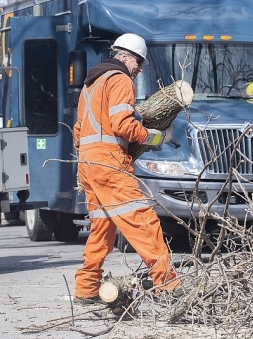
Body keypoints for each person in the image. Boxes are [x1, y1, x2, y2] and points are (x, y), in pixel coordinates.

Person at [73, 33, 178, 304]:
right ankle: (167, 286)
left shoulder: (92, 84)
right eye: (139, 63)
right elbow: (122, 124)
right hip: (109, 164)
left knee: (102, 228)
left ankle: (86, 289)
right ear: (126, 57)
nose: (139, 69)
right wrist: (155, 137)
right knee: (144, 222)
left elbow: (78, 131)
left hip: (87, 164)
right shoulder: (120, 79)